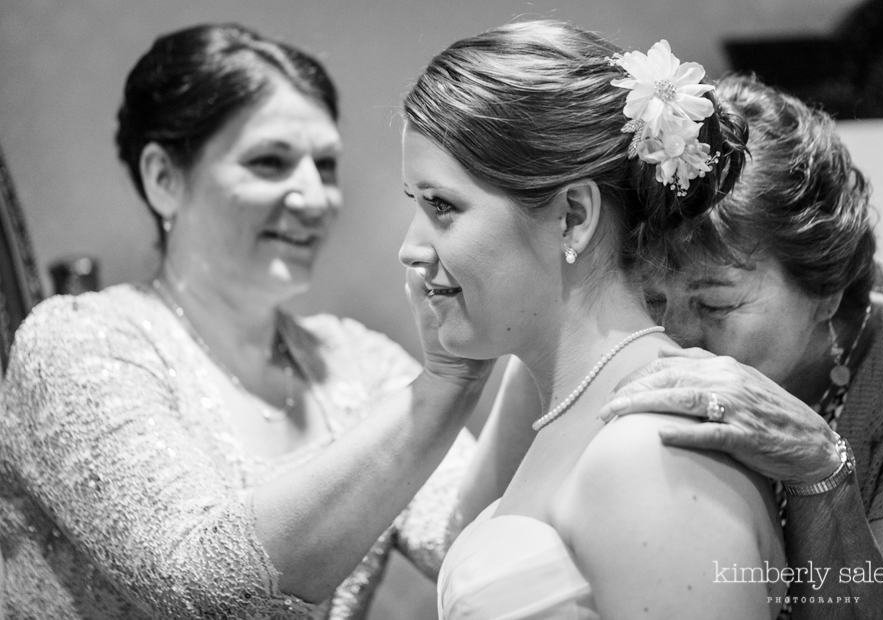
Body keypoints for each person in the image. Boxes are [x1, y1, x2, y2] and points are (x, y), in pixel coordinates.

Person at [0, 23, 516, 619]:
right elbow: (205, 588)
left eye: (324, 166)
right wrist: (450, 382)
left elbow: (473, 543)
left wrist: (576, 345)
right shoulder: (77, 344)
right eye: (270, 162)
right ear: (163, 179)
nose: (313, 196)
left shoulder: (359, 360)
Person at [399, 21, 786, 619]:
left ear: (573, 216)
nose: (411, 248)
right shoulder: (566, 406)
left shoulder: (649, 454)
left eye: (442, 206)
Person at [598, 74, 883, 619]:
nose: (673, 340)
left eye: (716, 306)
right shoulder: (616, 328)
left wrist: (820, 471)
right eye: (655, 301)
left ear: (826, 291)